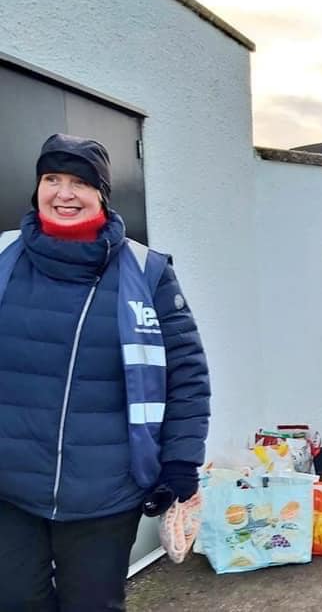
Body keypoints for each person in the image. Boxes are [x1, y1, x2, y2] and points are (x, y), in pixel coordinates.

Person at [0, 134, 211, 610]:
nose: (63, 193)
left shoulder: (146, 270)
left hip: (105, 490)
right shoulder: (4, 257)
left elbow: (187, 375)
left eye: (79, 181)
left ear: (101, 193)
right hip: (9, 485)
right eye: (51, 179)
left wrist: (180, 463)